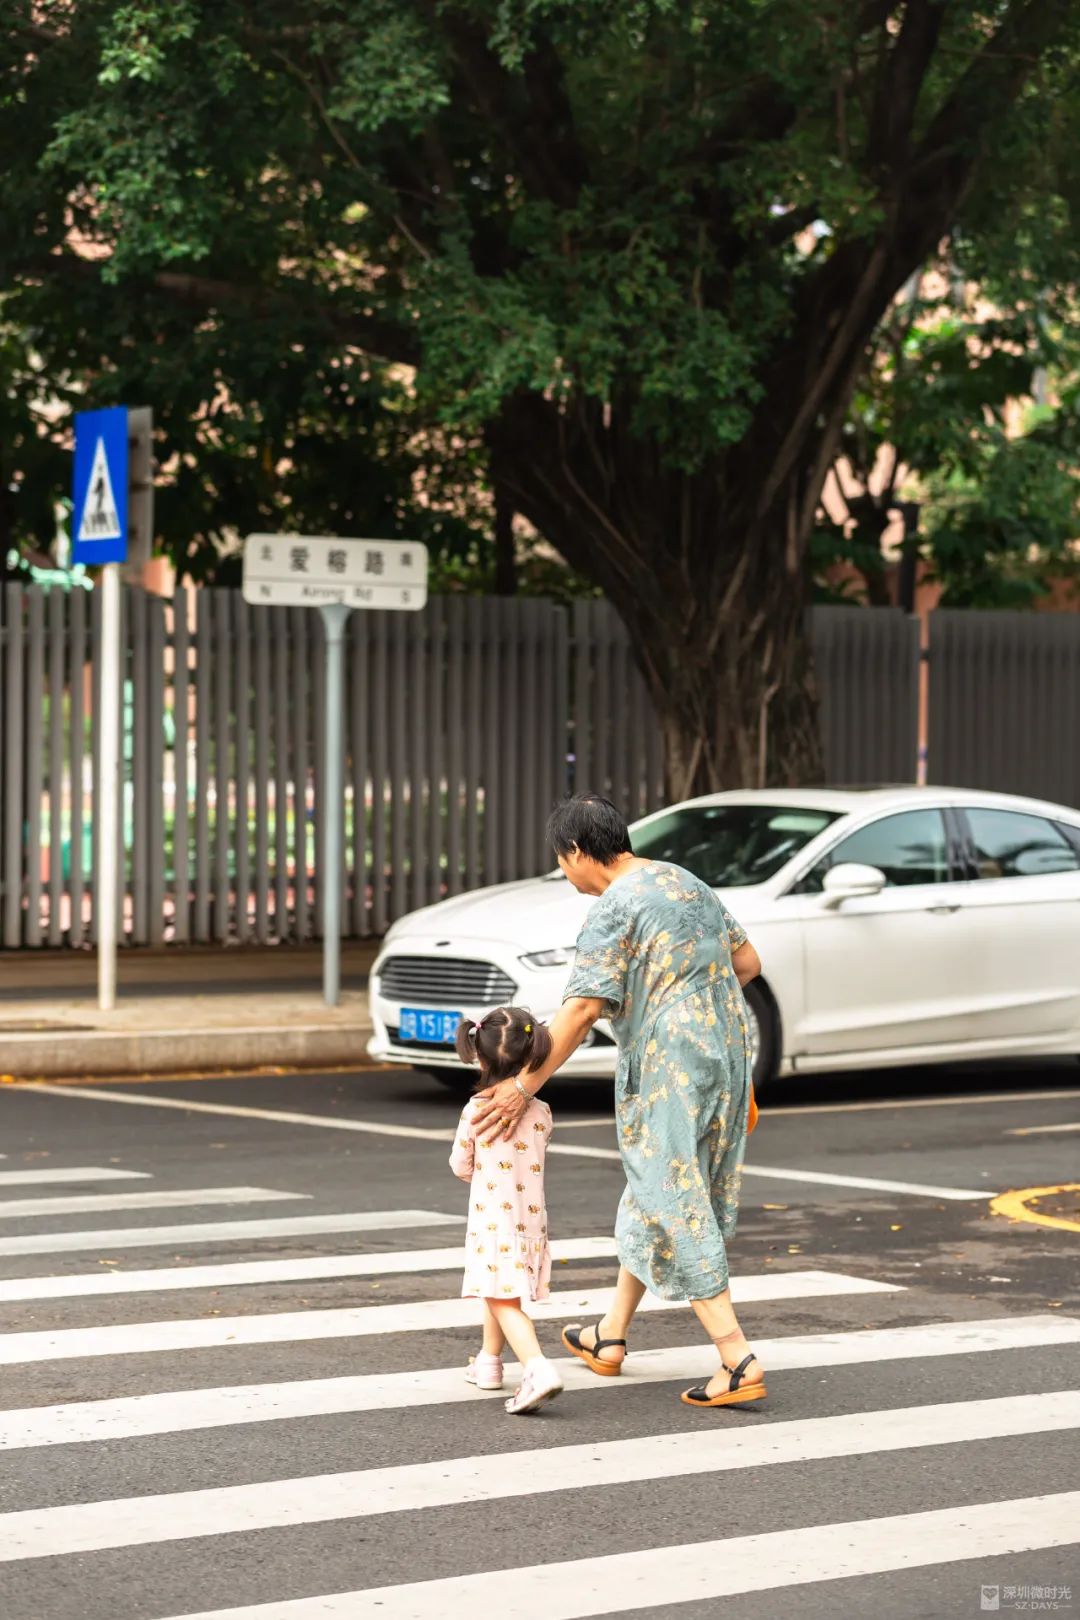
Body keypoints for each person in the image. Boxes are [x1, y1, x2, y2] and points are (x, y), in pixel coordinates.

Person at [471, 793, 766, 1410]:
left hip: (670, 1067)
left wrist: (524, 1086)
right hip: (729, 1050)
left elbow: (579, 1012)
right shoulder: (683, 880)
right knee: (653, 1186)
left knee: (674, 1192)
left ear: (577, 852)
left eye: (562, 861)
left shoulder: (615, 908)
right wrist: (695, 1009)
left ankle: (735, 1357)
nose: (565, 873)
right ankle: (610, 1335)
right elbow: (747, 962)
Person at [449, 1006, 565, 1415]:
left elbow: (461, 1166)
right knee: (498, 1291)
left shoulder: (477, 1110)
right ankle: (488, 1362)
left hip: (492, 1220)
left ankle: (536, 1367)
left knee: (502, 1300)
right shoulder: (541, 1112)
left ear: (479, 1057)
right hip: (530, 1221)